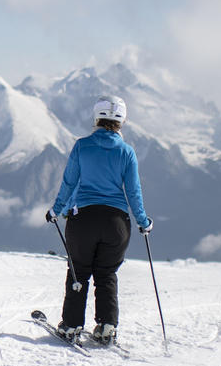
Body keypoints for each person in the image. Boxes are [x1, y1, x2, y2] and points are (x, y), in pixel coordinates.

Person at [45, 95, 152, 344]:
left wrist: (56, 210)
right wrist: (143, 222)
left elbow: (69, 182)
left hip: (83, 220)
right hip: (116, 223)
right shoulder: (127, 152)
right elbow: (133, 191)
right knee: (106, 274)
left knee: (78, 272)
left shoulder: (82, 146)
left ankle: (71, 326)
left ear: (97, 117)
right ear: (122, 120)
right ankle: (106, 326)